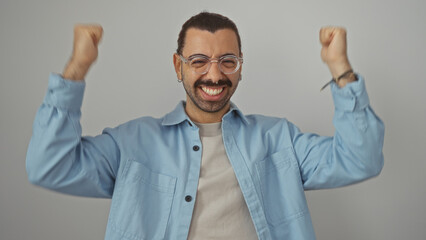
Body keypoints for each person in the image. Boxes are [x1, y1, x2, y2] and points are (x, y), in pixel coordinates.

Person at [26, 12, 384, 240]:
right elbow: (48, 167)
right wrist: (76, 68)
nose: (214, 74)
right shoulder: (131, 143)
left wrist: (340, 67)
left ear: (241, 66)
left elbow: (361, 159)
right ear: (177, 65)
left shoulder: (279, 139)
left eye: (227, 60)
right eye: (198, 61)